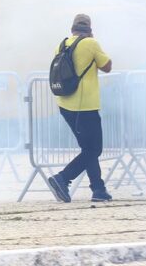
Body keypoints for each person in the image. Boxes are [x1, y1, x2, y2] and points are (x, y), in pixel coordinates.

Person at [45, 14, 114, 203]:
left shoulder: (62, 44)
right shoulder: (91, 44)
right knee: (94, 149)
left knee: (87, 148)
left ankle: (98, 189)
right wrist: (92, 40)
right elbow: (107, 66)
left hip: (66, 104)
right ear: (89, 28)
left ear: (72, 28)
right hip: (86, 106)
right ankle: (62, 178)